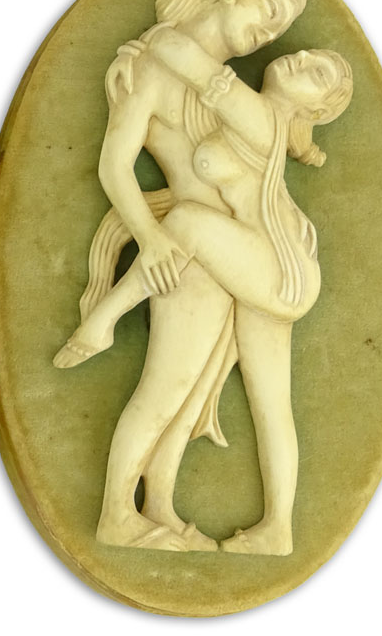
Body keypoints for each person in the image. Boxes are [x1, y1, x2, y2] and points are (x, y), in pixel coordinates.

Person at [59, 30, 352, 555]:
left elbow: (185, 56)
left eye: (316, 74)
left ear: (314, 110)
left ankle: (105, 318)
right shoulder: (242, 116)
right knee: (269, 404)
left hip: (276, 268)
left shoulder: (259, 116)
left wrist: (151, 43)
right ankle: (277, 530)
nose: (300, 56)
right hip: (264, 270)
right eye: (310, 56)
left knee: (188, 222)